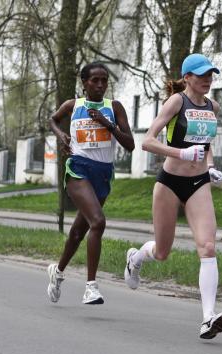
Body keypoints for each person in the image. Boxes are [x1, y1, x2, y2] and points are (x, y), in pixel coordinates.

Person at [123, 54, 222, 339]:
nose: (208, 79)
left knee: (208, 246)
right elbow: (147, 142)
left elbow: (205, 143)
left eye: (211, 75)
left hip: (198, 183)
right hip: (169, 183)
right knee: (162, 252)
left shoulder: (213, 107)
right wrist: (181, 153)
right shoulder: (176, 102)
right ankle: (136, 258)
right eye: (202, 75)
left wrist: (210, 166)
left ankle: (208, 318)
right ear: (187, 78)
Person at [47, 62, 134, 305]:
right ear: (84, 83)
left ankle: (57, 272)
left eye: (104, 80)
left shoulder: (114, 107)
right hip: (78, 169)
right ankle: (91, 287)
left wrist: (108, 125)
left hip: (102, 174)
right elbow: (53, 120)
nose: (100, 85)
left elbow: (130, 144)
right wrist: (61, 135)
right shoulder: (73, 105)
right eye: (95, 80)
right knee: (98, 222)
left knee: (78, 232)